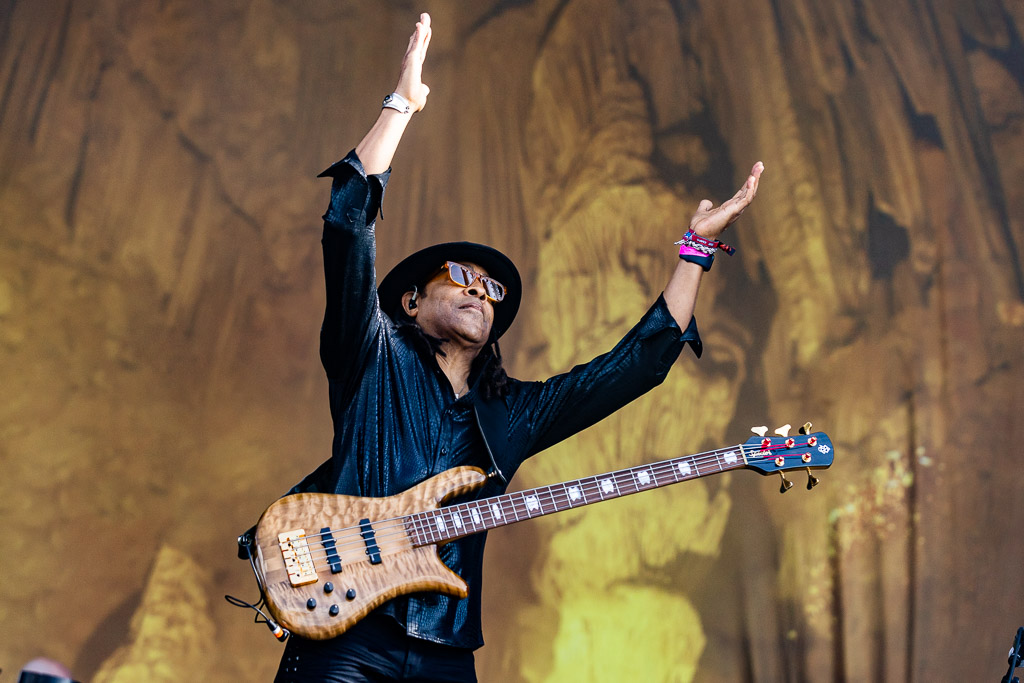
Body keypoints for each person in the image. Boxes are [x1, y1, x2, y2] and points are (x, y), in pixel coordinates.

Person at [271, 12, 763, 683]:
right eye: (463, 276)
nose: (482, 290)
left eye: (495, 289)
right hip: (344, 633)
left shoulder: (512, 414)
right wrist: (402, 106)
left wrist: (695, 249)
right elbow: (348, 225)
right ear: (410, 301)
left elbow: (635, 366)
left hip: (444, 650)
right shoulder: (372, 355)